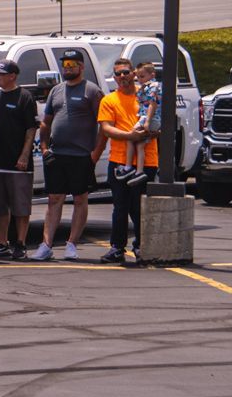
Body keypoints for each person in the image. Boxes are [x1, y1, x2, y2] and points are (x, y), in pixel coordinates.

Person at [35, 50, 102, 261]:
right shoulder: (56, 90)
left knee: (80, 198)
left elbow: (104, 125)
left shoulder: (91, 91)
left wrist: (95, 154)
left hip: (81, 155)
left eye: (72, 64)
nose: (68, 68)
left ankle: (72, 243)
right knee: (54, 199)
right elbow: (46, 122)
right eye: (65, 64)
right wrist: (45, 148)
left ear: (82, 67)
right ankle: (46, 244)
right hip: (57, 154)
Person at [96, 56, 158, 264]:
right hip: (120, 161)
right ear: (114, 78)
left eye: (126, 72)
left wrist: (151, 131)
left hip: (147, 161)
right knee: (120, 206)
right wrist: (130, 136)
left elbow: (161, 121)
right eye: (118, 74)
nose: (122, 77)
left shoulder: (147, 94)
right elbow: (106, 128)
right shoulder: (109, 100)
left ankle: (141, 246)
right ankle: (117, 247)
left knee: (139, 206)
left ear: (134, 74)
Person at [0, 59, 38, 261]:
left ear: (12, 76)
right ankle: (1, 243)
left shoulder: (25, 98)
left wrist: (24, 155)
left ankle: (21, 243)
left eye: (0, 73)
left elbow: (31, 129)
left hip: (18, 163)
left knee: (20, 206)